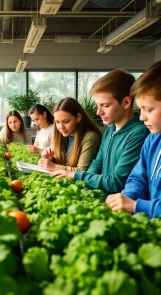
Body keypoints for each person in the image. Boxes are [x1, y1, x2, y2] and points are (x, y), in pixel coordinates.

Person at [51, 69, 149, 199]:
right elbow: (97, 164)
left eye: (105, 105)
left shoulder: (139, 133)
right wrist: (81, 185)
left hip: (120, 207)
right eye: (98, 105)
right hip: (100, 198)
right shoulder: (109, 131)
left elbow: (116, 182)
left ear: (126, 102)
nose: (98, 112)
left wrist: (76, 175)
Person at [106, 61, 161, 218]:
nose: (142, 117)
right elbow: (138, 178)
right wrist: (127, 197)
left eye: (148, 109)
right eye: (140, 109)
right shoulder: (153, 140)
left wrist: (137, 206)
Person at [38, 97, 102, 172]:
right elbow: (63, 164)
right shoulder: (62, 135)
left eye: (66, 121)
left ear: (78, 117)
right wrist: (51, 159)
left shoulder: (90, 137)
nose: (61, 127)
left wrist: (54, 166)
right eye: (57, 122)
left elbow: (82, 171)